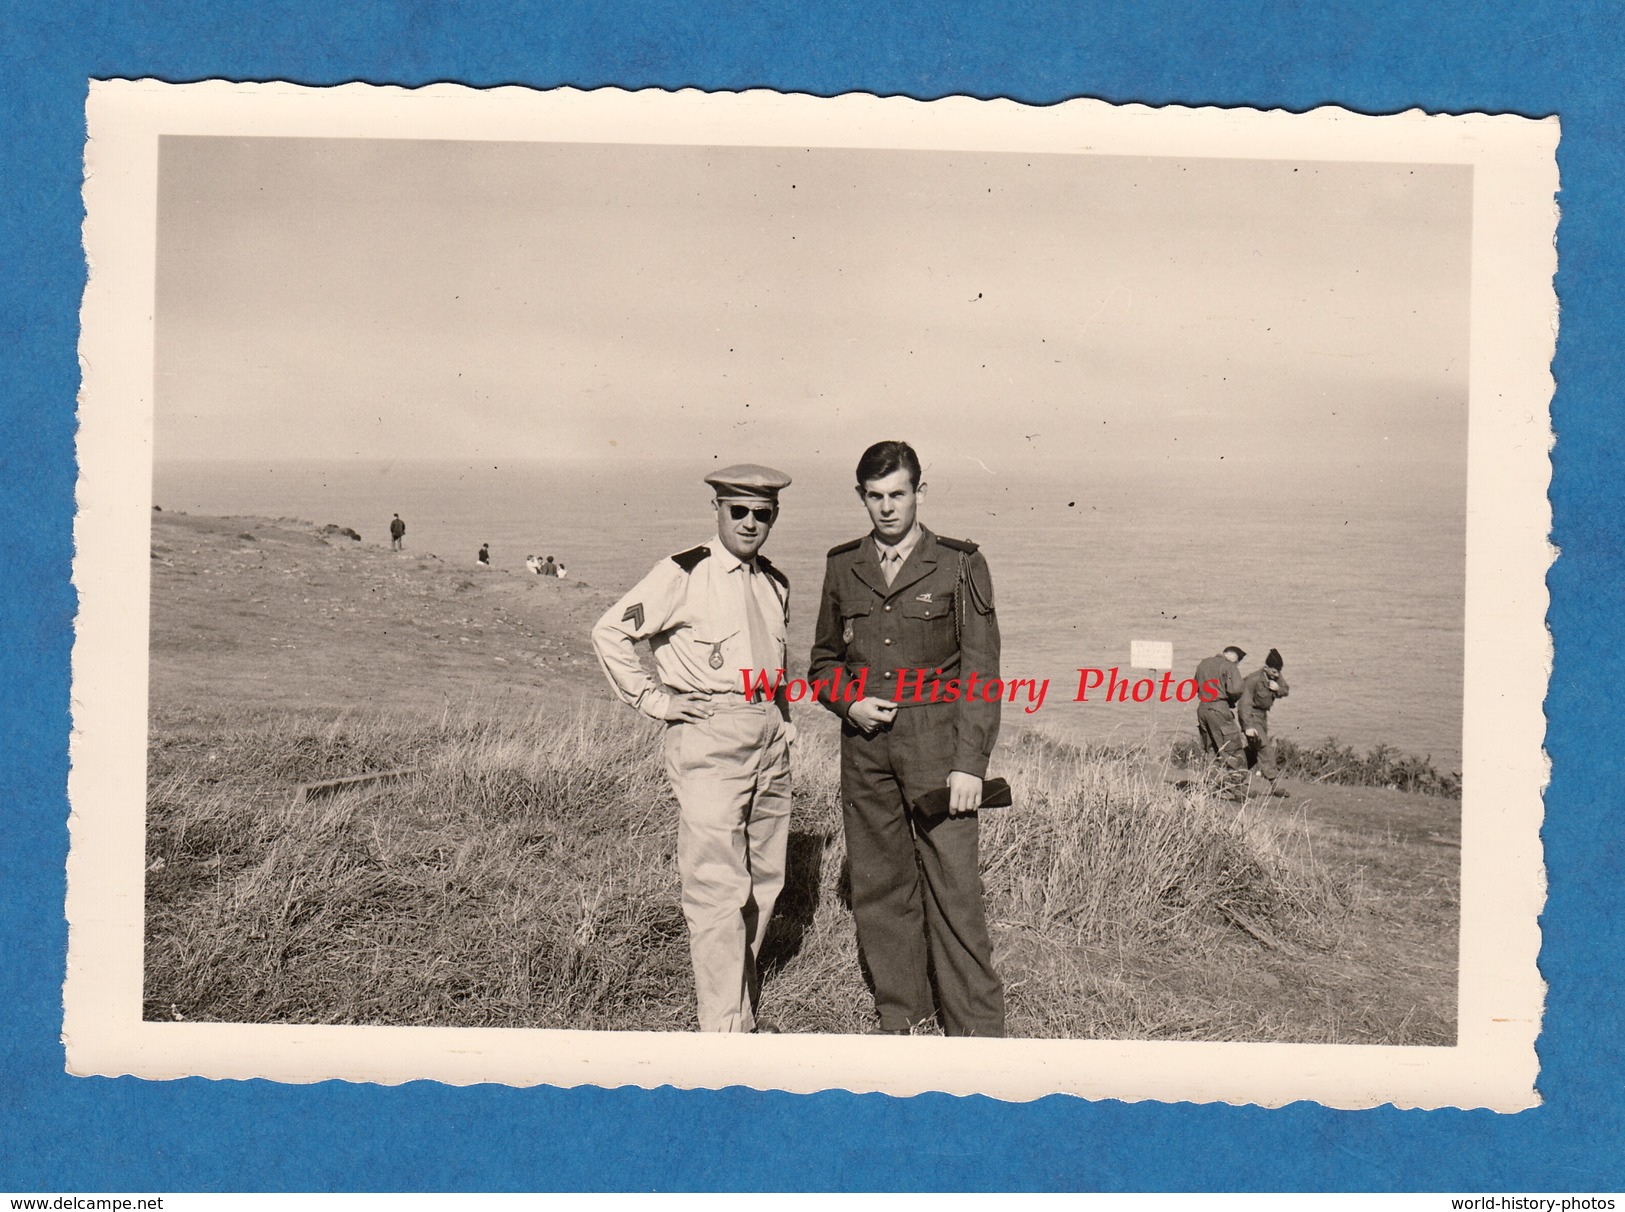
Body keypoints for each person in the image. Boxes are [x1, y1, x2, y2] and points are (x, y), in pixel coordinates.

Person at [807, 440, 1004, 1037]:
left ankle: (977, 1033)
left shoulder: (960, 563)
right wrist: (849, 701)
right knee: (878, 884)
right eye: (876, 496)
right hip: (865, 746)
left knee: (955, 890)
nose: (888, 508)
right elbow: (822, 663)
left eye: (899, 494)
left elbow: (981, 673)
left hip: (937, 750)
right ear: (861, 497)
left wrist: (970, 764)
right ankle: (903, 1018)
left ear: (921, 491)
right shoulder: (844, 565)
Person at [590, 463, 794, 1034]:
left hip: (768, 736)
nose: (751, 523)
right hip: (709, 734)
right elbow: (610, 632)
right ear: (718, 511)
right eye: (739, 512)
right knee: (715, 888)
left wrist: (784, 722)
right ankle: (723, 1034)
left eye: (763, 514)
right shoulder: (682, 573)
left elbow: (777, 666)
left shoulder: (774, 582)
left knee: (765, 881)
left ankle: (740, 1009)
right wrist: (654, 702)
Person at [1193, 645, 1247, 794]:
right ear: (1235, 658)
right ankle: (1238, 790)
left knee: (1211, 749)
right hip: (1219, 709)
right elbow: (1236, 689)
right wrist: (1230, 699)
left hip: (1203, 708)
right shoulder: (1229, 666)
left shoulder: (1203, 664)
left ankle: (1209, 787)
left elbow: (1195, 685)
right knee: (1232, 748)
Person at [1239, 648, 1291, 798]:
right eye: (1274, 672)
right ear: (1266, 668)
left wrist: (1278, 688)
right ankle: (1275, 785)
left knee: (1254, 752)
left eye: (1278, 673)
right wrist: (1247, 727)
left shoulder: (1275, 676)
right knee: (1264, 747)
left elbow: (1285, 689)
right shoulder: (1253, 680)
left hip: (1262, 718)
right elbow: (1244, 705)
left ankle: (1234, 777)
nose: (1277, 675)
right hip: (1252, 717)